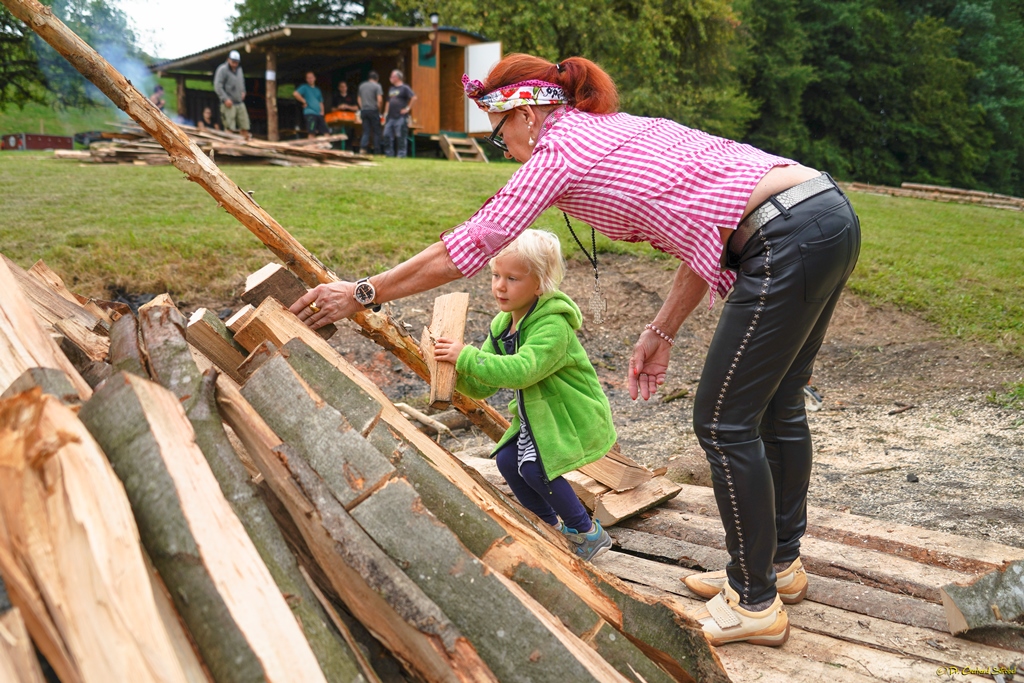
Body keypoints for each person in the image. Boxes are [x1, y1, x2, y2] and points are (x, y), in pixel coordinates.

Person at [291, 53, 860, 648]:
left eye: (498, 126)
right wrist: (661, 329)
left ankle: (754, 601)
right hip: (821, 213)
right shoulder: (611, 132)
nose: (499, 143)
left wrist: (362, 292)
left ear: (528, 112)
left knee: (722, 419)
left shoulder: (559, 149)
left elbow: (469, 245)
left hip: (783, 236)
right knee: (778, 406)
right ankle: (779, 568)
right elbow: (711, 228)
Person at [433, 229, 616, 562]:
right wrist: (453, 373)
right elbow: (484, 385)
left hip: (568, 413)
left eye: (513, 278)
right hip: (538, 414)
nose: (500, 286)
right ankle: (546, 527)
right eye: (496, 275)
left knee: (535, 468)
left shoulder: (553, 326)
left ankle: (586, 532)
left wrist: (466, 356)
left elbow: (521, 370)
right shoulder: (504, 325)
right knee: (507, 461)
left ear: (540, 283)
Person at [214, 50, 251, 140]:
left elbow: (241, 82)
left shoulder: (239, 70)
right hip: (229, 103)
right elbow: (217, 86)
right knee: (230, 128)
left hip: (239, 102)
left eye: (236, 62)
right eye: (233, 62)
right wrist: (225, 98)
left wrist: (243, 91)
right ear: (228, 60)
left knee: (245, 125)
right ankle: (228, 148)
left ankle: (245, 148)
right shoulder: (222, 69)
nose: (235, 64)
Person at [382, 70, 416, 158]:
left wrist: (407, 109)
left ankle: (401, 155)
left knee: (401, 136)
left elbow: (414, 97)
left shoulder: (405, 88)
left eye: (392, 76)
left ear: (397, 78)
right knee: (386, 134)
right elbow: (388, 102)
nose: (390, 78)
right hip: (390, 117)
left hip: (400, 117)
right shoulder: (391, 89)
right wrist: (385, 114)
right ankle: (389, 155)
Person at [294, 71, 328, 138]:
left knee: (326, 131)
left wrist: (322, 111)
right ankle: (311, 147)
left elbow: (320, 101)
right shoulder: (304, 87)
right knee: (311, 132)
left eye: (311, 77)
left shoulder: (317, 90)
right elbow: (295, 93)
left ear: (314, 78)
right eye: (308, 78)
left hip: (319, 114)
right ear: (306, 79)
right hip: (310, 113)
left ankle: (326, 147)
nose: (310, 79)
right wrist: (303, 101)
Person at [357, 71, 383, 154]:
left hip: (364, 111)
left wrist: (362, 107)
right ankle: (377, 150)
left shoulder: (362, 85)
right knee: (376, 131)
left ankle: (363, 148)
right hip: (373, 110)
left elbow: (359, 98)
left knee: (366, 131)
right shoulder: (377, 86)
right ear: (377, 79)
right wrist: (379, 111)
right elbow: (380, 100)